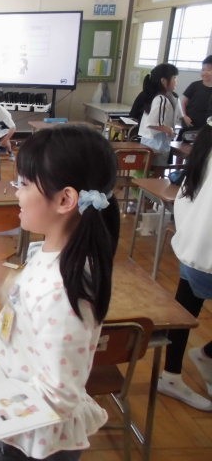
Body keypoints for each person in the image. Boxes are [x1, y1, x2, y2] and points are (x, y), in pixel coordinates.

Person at [0, 125, 120, 461]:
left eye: (23, 184)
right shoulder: (52, 253)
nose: (16, 193)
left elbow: (58, 397)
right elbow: (34, 310)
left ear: (65, 200)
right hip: (10, 419)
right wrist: (3, 282)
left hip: (25, 439)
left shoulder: (64, 291)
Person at [158, 117, 212, 411]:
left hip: (192, 246)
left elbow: (184, 199)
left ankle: (172, 374)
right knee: (183, 311)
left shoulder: (205, 147)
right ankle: (204, 357)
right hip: (204, 251)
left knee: (183, 311)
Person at [138, 63, 183, 173]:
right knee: (154, 173)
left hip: (151, 142)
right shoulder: (161, 99)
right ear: (163, 81)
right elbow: (153, 123)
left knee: (147, 172)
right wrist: (169, 130)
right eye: (174, 78)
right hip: (156, 144)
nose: (176, 81)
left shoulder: (159, 96)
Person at [181, 55, 212, 132]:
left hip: (207, 128)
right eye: (203, 69)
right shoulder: (194, 85)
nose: (205, 72)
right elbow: (183, 103)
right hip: (190, 124)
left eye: (209, 70)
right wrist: (184, 116)